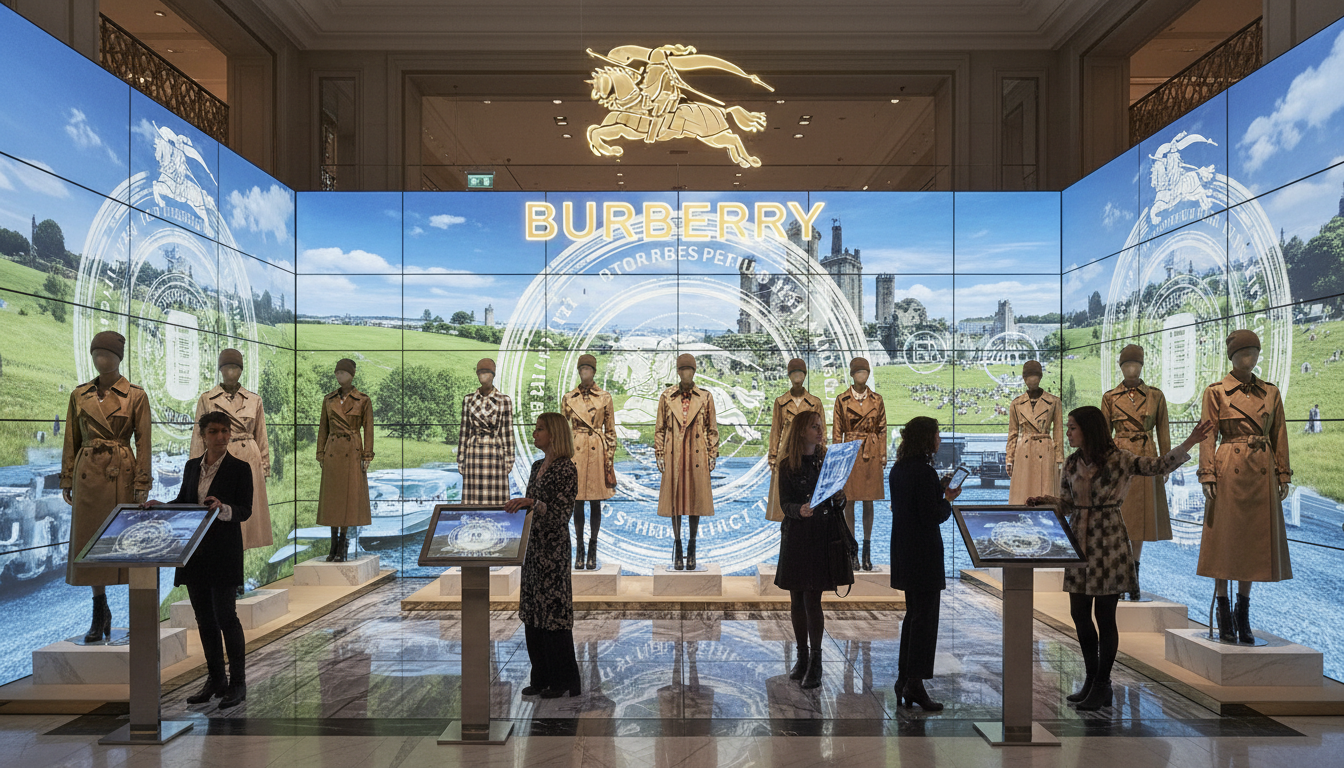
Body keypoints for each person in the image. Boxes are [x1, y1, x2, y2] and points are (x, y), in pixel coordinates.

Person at [1029, 407, 1213, 712]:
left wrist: (1190, 442)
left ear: (1088, 429)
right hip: (1080, 542)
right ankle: (1092, 679)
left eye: (1073, 428)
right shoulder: (1073, 463)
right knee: (1078, 613)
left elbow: (1156, 466)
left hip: (1110, 542)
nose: (1069, 433)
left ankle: (1102, 683)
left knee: (1105, 616)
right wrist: (1046, 503)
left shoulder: (1121, 458)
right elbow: (1068, 504)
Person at [147, 411, 254, 709]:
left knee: (226, 617)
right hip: (194, 553)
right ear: (202, 435)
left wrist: (223, 508)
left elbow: (245, 510)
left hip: (223, 553)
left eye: (225, 431)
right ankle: (215, 679)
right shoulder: (192, 466)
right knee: (204, 619)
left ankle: (238, 683)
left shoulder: (240, 468)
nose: (220, 437)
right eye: (214, 432)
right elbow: (185, 501)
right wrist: (161, 505)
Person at [772, 410, 849, 690]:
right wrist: (799, 509)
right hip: (796, 536)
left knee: (812, 601)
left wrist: (840, 497)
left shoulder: (827, 461)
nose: (820, 431)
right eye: (814, 427)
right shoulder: (787, 464)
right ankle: (802, 657)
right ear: (801, 431)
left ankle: (816, 662)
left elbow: (835, 503)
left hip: (820, 536)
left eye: (821, 426)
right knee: (796, 600)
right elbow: (785, 503)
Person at [505, 412, 581, 698]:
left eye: (539, 429)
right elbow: (532, 507)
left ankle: (563, 681)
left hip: (553, 549)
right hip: (533, 548)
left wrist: (535, 503)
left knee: (553, 615)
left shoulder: (566, 469)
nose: (534, 434)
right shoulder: (537, 465)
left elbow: (561, 512)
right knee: (534, 612)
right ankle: (541, 678)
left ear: (555, 434)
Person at [888, 416, 960, 711]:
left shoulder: (898, 469)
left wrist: (937, 491)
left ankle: (904, 678)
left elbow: (911, 506)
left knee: (913, 617)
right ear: (926, 439)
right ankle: (915, 684)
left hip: (904, 552)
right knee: (925, 620)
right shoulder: (925, 472)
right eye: (937, 434)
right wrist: (948, 499)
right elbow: (932, 514)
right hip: (925, 555)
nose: (940, 439)